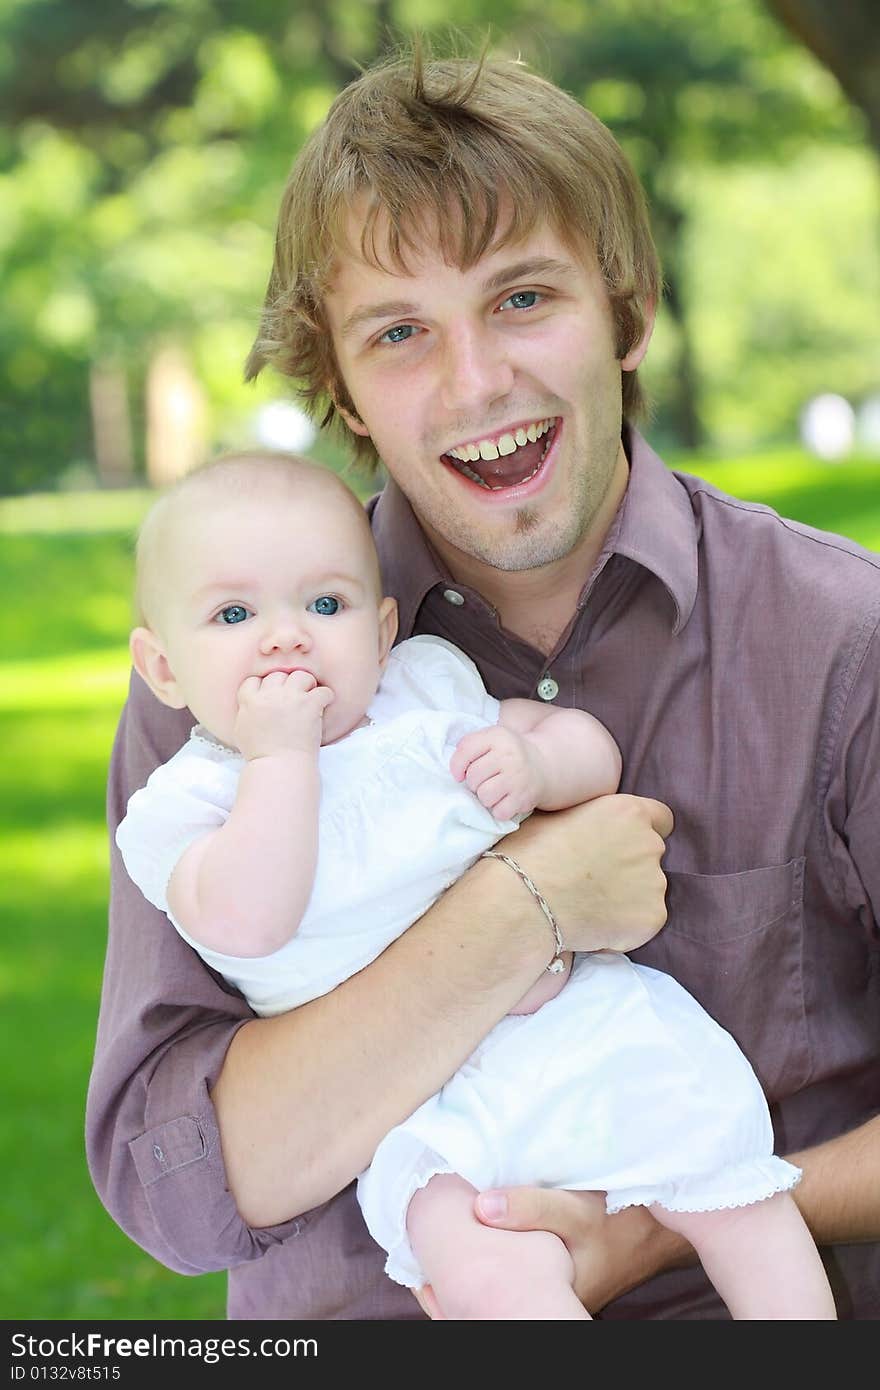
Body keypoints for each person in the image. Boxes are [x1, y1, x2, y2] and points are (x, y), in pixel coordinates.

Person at [86, 48, 880, 1320]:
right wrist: (520, 912)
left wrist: (668, 1229)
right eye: (399, 331)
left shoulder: (842, 638)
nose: (474, 384)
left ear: (626, 312)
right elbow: (175, 1185)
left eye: (521, 299)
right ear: (338, 381)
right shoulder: (232, 685)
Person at [113, 451, 834, 1320]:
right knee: (485, 1271)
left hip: (582, 1032)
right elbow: (248, 922)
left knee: (737, 1196)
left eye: (326, 604)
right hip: (422, 1112)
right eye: (234, 614)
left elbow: (583, 742)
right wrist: (279, 761)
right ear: (162, 670)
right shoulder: (187, 805)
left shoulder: (422, 689)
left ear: (382, 634)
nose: (286, 636)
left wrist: (537, 761)